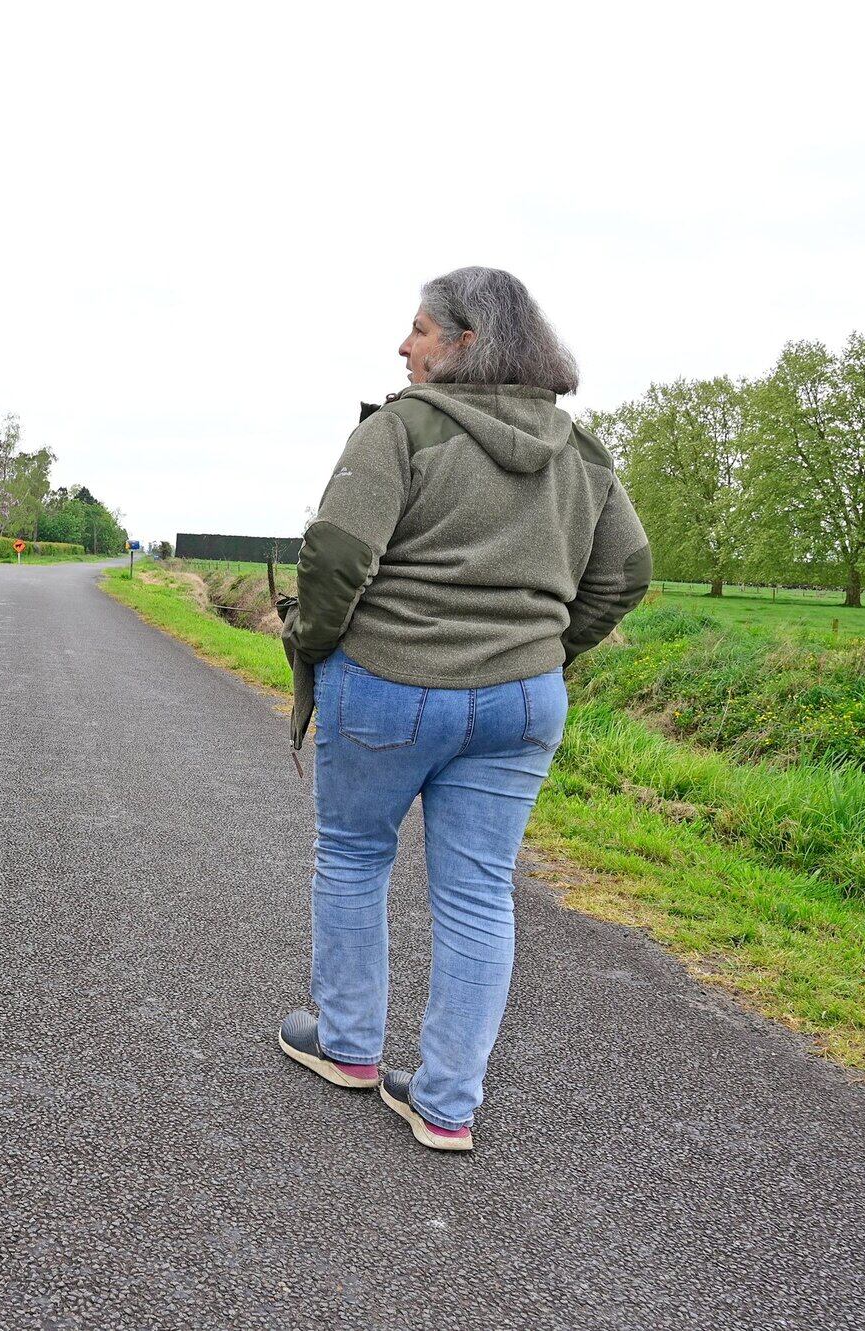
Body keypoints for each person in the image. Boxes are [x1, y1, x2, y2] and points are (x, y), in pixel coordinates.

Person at [275, 266, 650, 1152]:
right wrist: (545, 650)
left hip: (389, 683)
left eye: (418, 330)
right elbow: (627, 575)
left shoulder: (401, 431)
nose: (403, 347)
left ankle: (348, 1044)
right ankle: (446, 1102)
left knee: (356, 854)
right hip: (522, 703)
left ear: (467, 340)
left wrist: (318, 642)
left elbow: (334, 554)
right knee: (480, 896)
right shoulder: (580, 453)